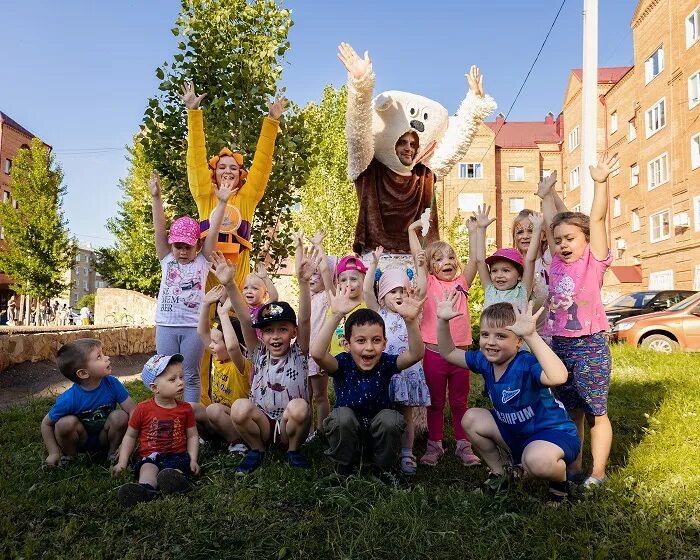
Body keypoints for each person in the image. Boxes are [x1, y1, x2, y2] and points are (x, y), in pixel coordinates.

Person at [181, 81, 288, 407]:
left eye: (233, 168)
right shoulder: (203, 192)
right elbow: (195, 159)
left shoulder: (249, 196)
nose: (227, 171)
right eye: (221, 167)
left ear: (240, 175)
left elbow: (263, 163)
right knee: (202, 341)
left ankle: (245, 400)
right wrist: (193, 113)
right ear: (214, 174)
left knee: (242, 336)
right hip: (206, 275)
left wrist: (272, 122)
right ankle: (198, 404)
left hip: (238, 278)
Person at [337, 42, 495, 260]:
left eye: (413, 144)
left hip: (419, 261)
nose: (409, 149)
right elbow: (357, 133)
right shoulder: (368, 167)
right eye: (403, 142)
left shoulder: (424, 175)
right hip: (379, 261)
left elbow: (455, 147)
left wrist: (474, 106)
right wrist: (361, 85)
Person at [436, 297, 580, 503]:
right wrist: (442, 320)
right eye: (485, 335)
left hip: (552, 435)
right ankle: (502, 473)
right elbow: (448, 352)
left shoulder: (525, 363)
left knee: (537, 462)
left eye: (501, 336)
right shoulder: (484, 361)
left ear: (519, 341)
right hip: (515, 434)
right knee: (471, 418)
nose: (491, 342)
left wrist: (532, 335)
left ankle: (559, 486)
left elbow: (558, 376)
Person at [540, 153, 619, 487]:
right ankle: (574, 466)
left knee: (595, 410)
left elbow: (598, 220)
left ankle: (597, 473)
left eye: (570, 238)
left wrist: (601, 183)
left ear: (586, 240)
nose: (562, 244)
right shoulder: (555, 263)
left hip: (590, 345)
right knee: (570, 409)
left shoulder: (594, 262)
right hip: (559, 346)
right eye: (557, 240)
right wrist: (546, 194)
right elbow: (552, 221)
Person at [210, 240, 318, 474]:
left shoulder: (299, 351)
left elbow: (306, 320)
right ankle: (256, 450)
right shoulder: (258, 351)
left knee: (300, 407)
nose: (275, 336)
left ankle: (293, 451)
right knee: (239, 407)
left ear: (293, 332)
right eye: (268, 331)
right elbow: (246, 321)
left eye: (282, 329)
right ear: (262, 334)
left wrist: (303, 283)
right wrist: (229, 284)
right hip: (263, 424)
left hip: (290, 425)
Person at [311, 284, 425, 484]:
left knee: (392, 418)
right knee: (341, 417)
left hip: (379, 439)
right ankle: (343, 469)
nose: (369, 348)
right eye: (361, 341)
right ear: (347, 345)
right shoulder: (342, 364)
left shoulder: (387, 363)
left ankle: (384, 471)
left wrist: (410, 321)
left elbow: (415, 354)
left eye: (376, 340)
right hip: (347, 437)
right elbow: (318, 353)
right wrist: (336, 315)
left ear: (384, 343)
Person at [151, 170, 230, 404]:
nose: (183, 251)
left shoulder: (203, 261)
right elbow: (158, 229)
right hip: (166, 324)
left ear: (198, 246)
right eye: (179, 246)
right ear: (171, 244)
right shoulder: (166, 258)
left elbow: (213, 230)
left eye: (188, 246)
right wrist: (156, 198)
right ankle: (164, 415)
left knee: (191, 376)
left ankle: (192, 422)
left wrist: (222, 202)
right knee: (163, 374)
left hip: (194, 327)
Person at [408, 220, 481, 467]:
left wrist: (474, 232)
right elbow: (418, 260)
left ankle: (464, 444)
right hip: (433, 355)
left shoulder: (462, 284)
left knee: (460, 402)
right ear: (430, 266)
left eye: (450, 257)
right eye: (438, 259)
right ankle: (435, 444)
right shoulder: (428, 284)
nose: (447, 262)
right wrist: (411, 233)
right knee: (436, 402)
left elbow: (474, 261)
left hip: (460, 355)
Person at [363, 246, 430, 475]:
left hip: (408, 373)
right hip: (385, 373)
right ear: (382, 296)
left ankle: (407, 453)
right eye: (393, 291)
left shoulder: (412, 312)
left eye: (403, 290)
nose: (399, 295)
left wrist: (420, 266)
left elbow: (422, 289)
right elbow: (366, 292)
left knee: (406, 416)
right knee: (383, 413)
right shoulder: (378, 313)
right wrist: (373, 265)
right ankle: (382, 450)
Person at [112, 354, 200, 507]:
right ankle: (144, 491)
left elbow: (192, 436)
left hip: (177, 456)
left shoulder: (185, 409)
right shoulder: (142, 409)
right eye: (173, 379)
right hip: (150, 456)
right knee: (147, 470)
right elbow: (130, 436)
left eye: (181, 377)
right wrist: (122, 462)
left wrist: (192, 459)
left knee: (173, 472)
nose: (180, 382)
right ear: (154, 388)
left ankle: (177, 484)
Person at [41, 338, 135, 466]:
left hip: (105, 436)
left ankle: (113, 453)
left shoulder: (111, 383)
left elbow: (133, 410)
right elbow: (46, 424)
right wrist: (53, 452)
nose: (107, 357)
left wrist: (127, 440)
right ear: (84, 373)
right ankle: (70, 456)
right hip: (81, 440)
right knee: (64, 423)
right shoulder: (69, 398)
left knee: (120, 416)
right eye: (98, 357)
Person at [196, 285, 251, 453]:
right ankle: (211, 440)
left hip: (240, 421)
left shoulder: (241, 364)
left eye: (217, 342)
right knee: (190, 407)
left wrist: (224, 315)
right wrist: (206, 304)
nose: (211, 346)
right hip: (221, 417)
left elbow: (233, 347)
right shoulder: (218, 358)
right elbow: (202, 332)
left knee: (213, 409)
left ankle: (238, 443)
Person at [472, 205, 542, 310]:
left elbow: (530, 260)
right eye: (494, 270)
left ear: (519, 275)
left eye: (506, 270)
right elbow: (480, 261)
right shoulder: (490, 290)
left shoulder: (522, 292)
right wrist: (481, 229)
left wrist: (537, 229)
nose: (499, 275)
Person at [305, 231, 337, 442]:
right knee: (304, 395)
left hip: (319, 354)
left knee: (319, 395)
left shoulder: (329, 296)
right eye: (311, 274)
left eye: (319, 273)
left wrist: (319, 247)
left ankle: (322, 431)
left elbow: (325, 271)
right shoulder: (308, 296)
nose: (314, 277)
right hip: (303, 353)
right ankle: (306, 431)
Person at [328, 255, 368, 358]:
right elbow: (328, 334)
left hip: (361, 362)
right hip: (335, 363)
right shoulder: (335, 306)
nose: (348, 284)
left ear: (364, 280)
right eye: (343, 280)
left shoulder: (368, 307)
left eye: (354, 279)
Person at [244, 261, 279, 340]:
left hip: (261, 347)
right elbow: (226, 300)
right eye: (245, 288)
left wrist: (265, 278)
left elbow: (274, 298)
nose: (249, 291)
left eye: (255, 288)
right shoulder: (243, 309)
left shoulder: (263, 309)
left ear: (265, 294)